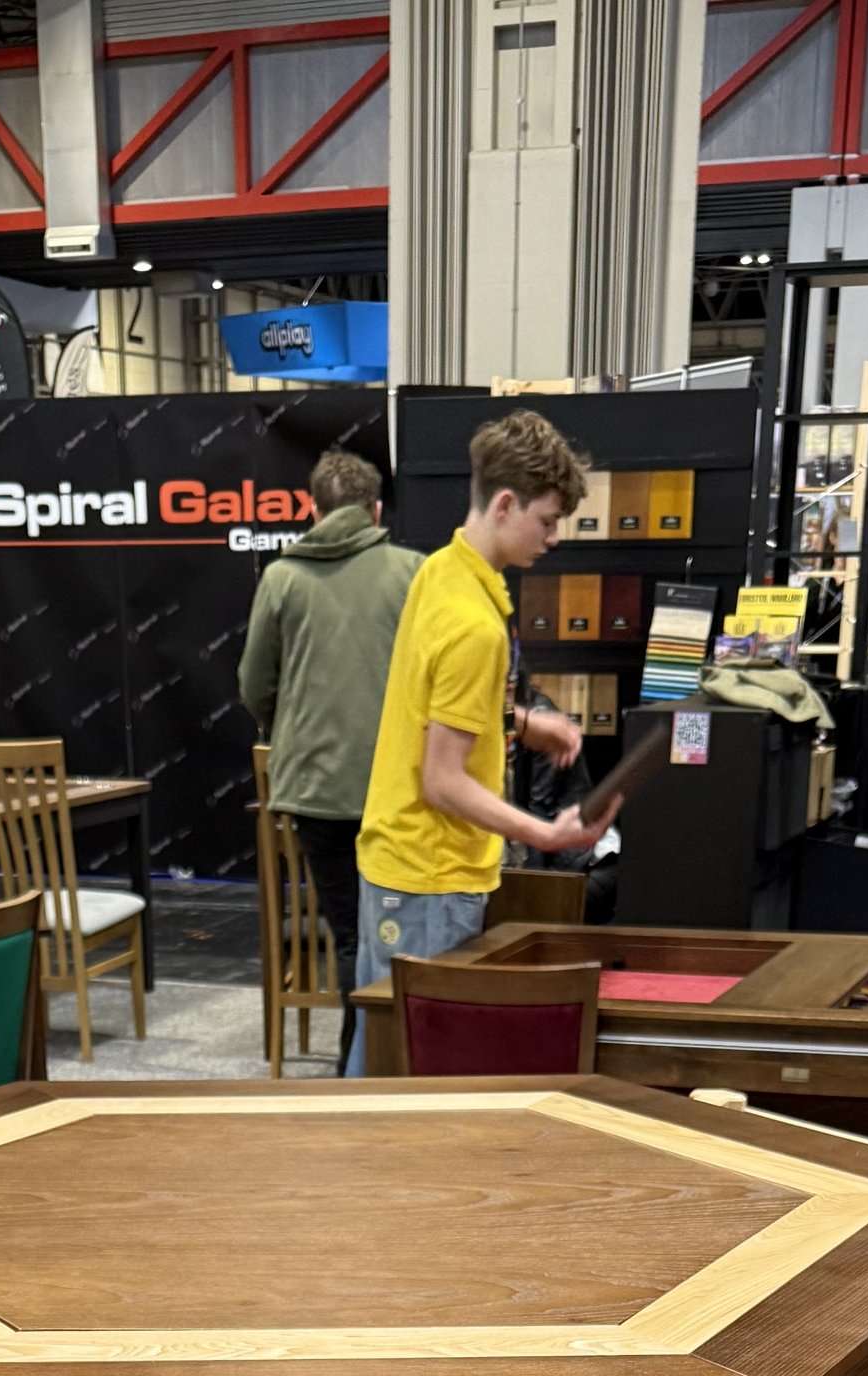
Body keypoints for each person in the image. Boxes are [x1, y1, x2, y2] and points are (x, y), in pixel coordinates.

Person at [348, 407, 608, 1074]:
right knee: (411, 1076)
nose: (553, 537)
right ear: (505, 504)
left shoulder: (443, 571)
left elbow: (430, 705)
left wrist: (519, 721)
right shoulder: (475, 624)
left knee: (383, 1057)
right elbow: (442, 781)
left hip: (405, 866)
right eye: (547, 521)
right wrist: (544, 833)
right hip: (430, 877)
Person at [239, 446, 421, 1071]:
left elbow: (253, 684)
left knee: (349, 934)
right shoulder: (414, 572)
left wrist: (290, 726)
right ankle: (393, 1059)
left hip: (316, 792)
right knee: (399, 931)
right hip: (402, 790)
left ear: (313, 510)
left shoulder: (281, 578)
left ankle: (356, 1064)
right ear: (376, 510)